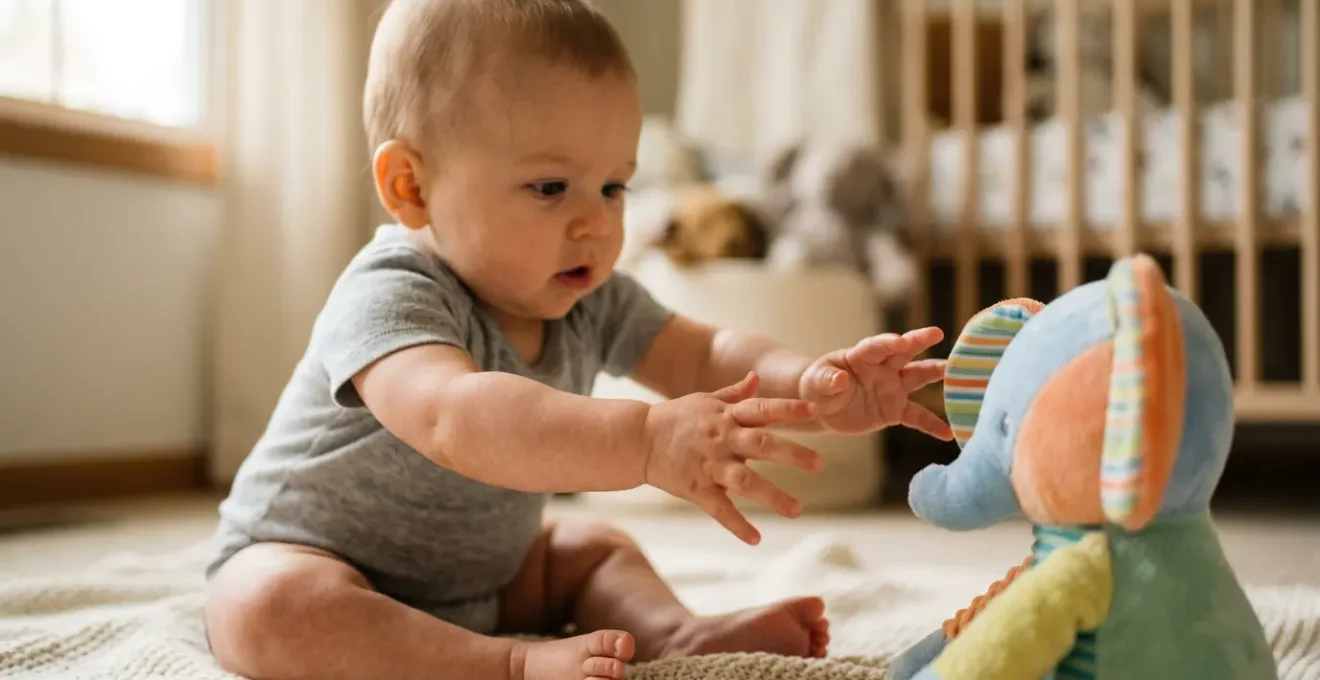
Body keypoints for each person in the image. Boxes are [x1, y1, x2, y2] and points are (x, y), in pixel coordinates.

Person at [202, 1, 953, 679]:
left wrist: (815, 384)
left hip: (487, 580)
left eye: (614, 187)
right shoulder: (390, 292)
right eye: (551, 188)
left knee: (591, 549)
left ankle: (672, 635)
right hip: (322, 560)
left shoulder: (590, 297)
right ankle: (502, 665)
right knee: (266, 606)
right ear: (411, 187)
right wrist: (648, 442)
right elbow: (450, 417)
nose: (595, 223)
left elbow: (707, 354)